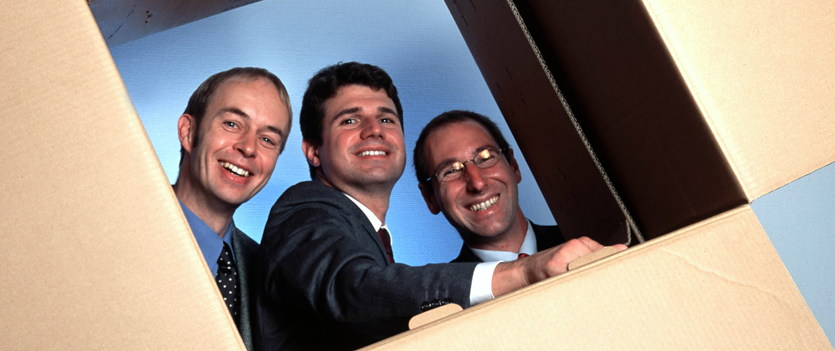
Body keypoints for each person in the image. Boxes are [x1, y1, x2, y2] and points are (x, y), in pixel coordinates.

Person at [259, 62, 620, 351]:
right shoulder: (304, 209)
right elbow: (353, 292)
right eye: (350, 120)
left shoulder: (371, 241)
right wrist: (521, 274)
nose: (374, 130)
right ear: (312, 151)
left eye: (386, 118)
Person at [173, 67, 293, 351]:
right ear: (189, 132)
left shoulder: (267, 274)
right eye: (232, 124)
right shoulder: (119, 229)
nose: (248, 148)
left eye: (268, 139)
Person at [414, 110, 564, 264]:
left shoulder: (583, 238)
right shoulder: (442, 288)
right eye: (451, 171)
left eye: (486, 158)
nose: (477, 184)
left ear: (513, 167)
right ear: (430, 198)